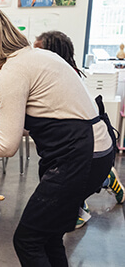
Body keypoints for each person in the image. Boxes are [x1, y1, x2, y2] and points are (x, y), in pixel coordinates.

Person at [0, 5, 116, 266]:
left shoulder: (14, 70)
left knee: (28, 239)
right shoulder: (36, 57)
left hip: (80, 154)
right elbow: (54, 113)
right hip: (93, 148)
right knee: (49, 235)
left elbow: (7, 147)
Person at [34, 30, 125, 229]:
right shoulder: (58, 74)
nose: (33, 56)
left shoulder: (62, 76)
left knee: (67, 186)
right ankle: (105, 179)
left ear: (52, 53)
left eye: (38, 51)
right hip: (75, 143)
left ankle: (81, 208)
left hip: (81, 144)